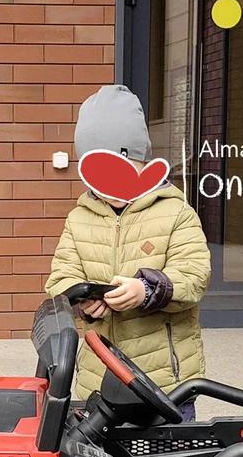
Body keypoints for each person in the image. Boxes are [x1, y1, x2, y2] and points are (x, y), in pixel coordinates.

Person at [45, 85, 211, 415]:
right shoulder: (79, 218)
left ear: (141, 160)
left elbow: (194, 275)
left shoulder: (175, 212)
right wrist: (83, 301)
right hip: (99, 377)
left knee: (171, 447)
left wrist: (146, 290)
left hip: (165, 382)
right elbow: (60, 278)